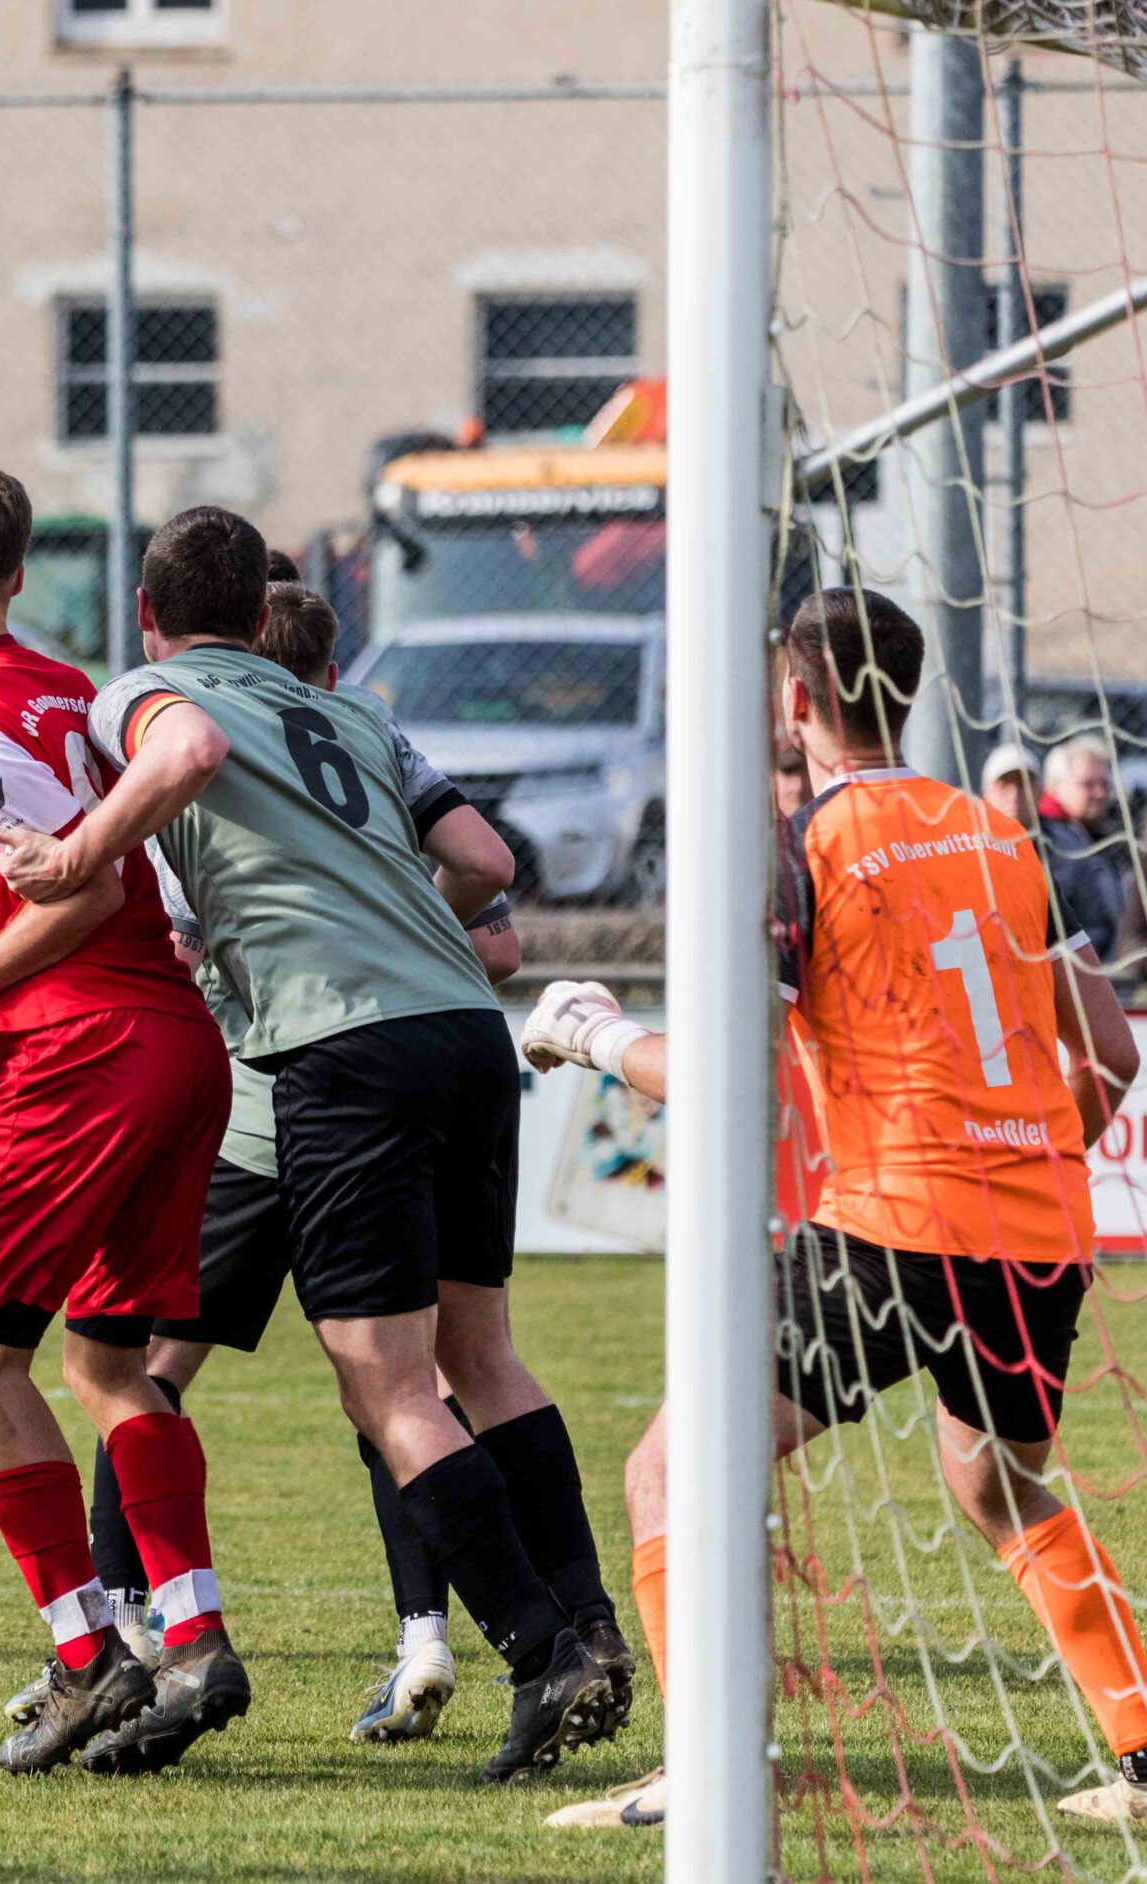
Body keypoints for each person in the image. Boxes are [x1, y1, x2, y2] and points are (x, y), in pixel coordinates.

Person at [0, 504, 626, 1784]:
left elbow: (183, 755)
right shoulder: (354, 715)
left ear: (149, 614)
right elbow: (479, 859)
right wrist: (385, 923)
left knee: (383, 1386)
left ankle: (540, 1653)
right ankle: (592, 1631)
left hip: (341, 1050)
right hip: (464, 1028)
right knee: (480, 1357)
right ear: (259, 607)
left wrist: (71, 855)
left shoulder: (148, 696)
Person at [526, 588, 1147, 1832]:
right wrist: (1023, 1160)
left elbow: (725, 1080)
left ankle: (703, 1772)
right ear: (903, 694)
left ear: (796, 697)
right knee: (1002, 1492)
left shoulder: (800, 846)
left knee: (668, 1471)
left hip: (890, 1225)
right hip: (1034, 1234)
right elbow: (1113, 1054)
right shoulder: (1002, 836)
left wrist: (589, 1032)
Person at [0, 459, 244, 1780]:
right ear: (20, 571)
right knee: (109, 1368)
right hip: (173, 1046)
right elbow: (79, 875)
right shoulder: (75, 688)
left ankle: (87, 1658)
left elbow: (85, 892)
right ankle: (191, 1638)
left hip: (82, 1052)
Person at [1039, 734, 1143, 967]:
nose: (1100, 793)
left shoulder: (1106, 840)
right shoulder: (1046, 841)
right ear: (1056, 785)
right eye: (1088, 784)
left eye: (1105, 785)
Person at [982, 742, 1039, 833]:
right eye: (1004, 785)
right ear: (986, 793)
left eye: (1023, 784)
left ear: (1039, 792)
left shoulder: (1060, 838)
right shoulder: (969, 839)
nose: (1015, 794)